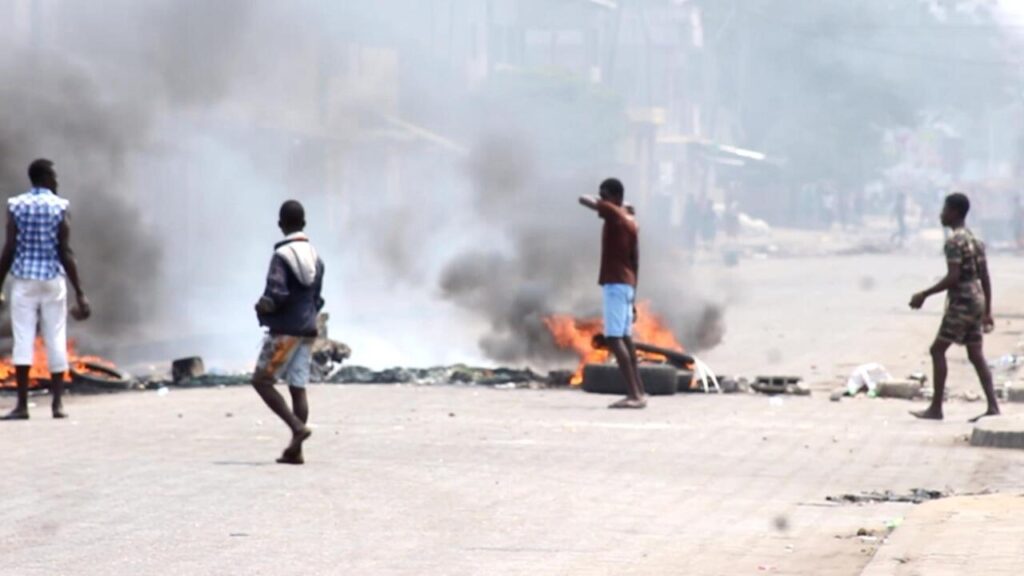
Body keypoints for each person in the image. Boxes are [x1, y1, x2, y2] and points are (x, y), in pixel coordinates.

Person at [0, 159, 91, 420]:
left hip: (24, 282)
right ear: (46, 178)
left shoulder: (16, 205)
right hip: (53, 281)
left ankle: (21, 406)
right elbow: (65, 251)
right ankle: (57, 405)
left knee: (23, 339)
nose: (58, 182)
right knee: (56, 338)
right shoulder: (60, 206)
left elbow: (9, 249)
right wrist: (80, 292)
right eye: (55, 176)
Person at [910, 193, 999, 423]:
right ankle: (993, 406)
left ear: (956, 213)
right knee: (975, 353)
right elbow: (985, 277)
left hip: (962, 302)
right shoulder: (974, 240)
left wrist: (924, 294)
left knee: (937, 350)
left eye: (945, 209)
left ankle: (936, 408)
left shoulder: (954, 242)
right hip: (977, 299)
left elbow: (953, 277)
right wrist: (987, 310)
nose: (942, 214)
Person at [251, 200, 324, 464]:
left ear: (281, 225)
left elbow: (276, 293)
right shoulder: (316, 257)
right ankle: (296, 450)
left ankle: (296, 427)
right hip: (308, 330)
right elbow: (318, 298)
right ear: (304, 224)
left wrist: (262, 307)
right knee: (298, 387)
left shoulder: (281, 256)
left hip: (284, 332)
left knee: (261, 381)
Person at [579, 178, 645, 409]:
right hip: (626, 284)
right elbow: (635, 261)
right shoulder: (631, 222)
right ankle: (640, 391)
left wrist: (613, 204)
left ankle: (634, 395)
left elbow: (583, 199)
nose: (601, 199)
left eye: (604, 195)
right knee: (626, 338)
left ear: (614, 197)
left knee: (614, 338)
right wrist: (633, 296)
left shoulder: (616, 215)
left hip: (615, 284)